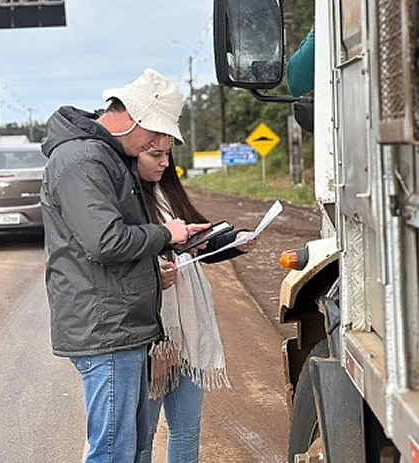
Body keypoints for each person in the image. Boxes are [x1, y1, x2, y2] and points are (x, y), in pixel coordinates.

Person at [40, 68, 191, 463]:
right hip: (106, 329)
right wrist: (166, 236)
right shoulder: (81, 159)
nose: (159, 145)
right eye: (155, 135)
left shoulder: (104, 155)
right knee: (112, 452)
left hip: (120, 324)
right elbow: (106, 241)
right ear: (133, 118)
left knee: (131, 447)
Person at [134, 137, 257, 463]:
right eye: (154, 154)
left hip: (189, 330)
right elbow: (117, 253)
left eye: (167, 155)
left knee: (187, 430)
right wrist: (153, 277)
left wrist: (236, 240)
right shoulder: (125, 198)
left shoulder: (168, 192)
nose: (163, 162)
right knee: (140, 437)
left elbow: (199, 240)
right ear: (133, 153)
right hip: (152, 334)